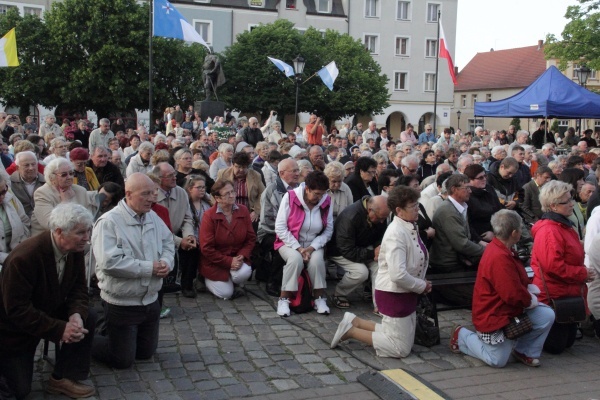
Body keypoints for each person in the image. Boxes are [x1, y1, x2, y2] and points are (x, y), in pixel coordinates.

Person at [0, 204, 96, 399]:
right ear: (59, 232)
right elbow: (17, 310)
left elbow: (78, 288)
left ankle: (64, 377)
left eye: (88, 231)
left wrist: (75, 314)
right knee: (19, 391)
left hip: (47, 307)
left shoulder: (74, 248)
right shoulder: (24, 257)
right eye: (81, 233)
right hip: (13, 330)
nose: (87, 238)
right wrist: (60, 329)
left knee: (88, 316)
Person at [330, 186, 431, 358]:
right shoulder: (396, 233)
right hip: (394, 293)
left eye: (417, 205)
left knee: (400, 336)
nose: (417, 210)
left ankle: (356, 321)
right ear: (399, 211)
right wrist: (421, 285)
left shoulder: (409, 226)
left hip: (406, 292)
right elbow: (397, 274)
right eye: (413, 207)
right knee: (400, 348)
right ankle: (351, 331)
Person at [450, 210, 555, 368]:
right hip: (495, 313)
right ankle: (463, 336)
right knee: (497, 360)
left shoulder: (503, 249)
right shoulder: (499, 256)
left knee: (545, 315)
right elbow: (512, 295)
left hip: (508, 308)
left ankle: (524, 351)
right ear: (514, 233)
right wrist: (529, 299)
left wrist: (527, 292)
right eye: (520, 229)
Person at [91, 173, 175, 369]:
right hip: (122, 301)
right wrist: (150, 268)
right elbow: (109, 262)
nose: (152, 198)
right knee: (122, 360)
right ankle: (87, 339)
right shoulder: (109, 222)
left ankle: (125, 338)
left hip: (150, 298)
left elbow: (168, 241)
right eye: (145, 194)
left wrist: (166, 262)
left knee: (145, 353)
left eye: (153, 193)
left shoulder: (152, 216)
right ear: (128, 194)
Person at [530, 180, 596, 354]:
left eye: (570, 199)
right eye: (566, 201)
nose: (572, 204)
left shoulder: (562, 225)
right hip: (554, 296)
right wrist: (582, 273)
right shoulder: (550, 230)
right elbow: (553, 267)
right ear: (553, 206)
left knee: (566, 343)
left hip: (567, 292)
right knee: (557, 347)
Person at [275, 171, 333, 317]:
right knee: (295, 260)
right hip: (288, 242)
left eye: (323, 193)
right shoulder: (290, 197)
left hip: (313, 243)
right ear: (307, 189)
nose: (320, 197)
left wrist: (312, 247)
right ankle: (284, 299)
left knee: (317, 261)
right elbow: (280, 227)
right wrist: (299, 248)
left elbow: (328, 229)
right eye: (316, 194)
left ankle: (319, 297)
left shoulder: (326, 200)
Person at [429, 174, 486, 305]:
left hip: (460, 261)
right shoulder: (448, 211)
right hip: (448, 267)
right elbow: (462, 244)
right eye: (467, 188)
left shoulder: (459, 207)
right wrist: (487, 250)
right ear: (454, 189)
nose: (470, 191)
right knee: (480, 297)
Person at [328, 196, 389, 310]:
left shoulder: (379, 213)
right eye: (380, 218)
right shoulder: (350, 217)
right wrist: (371, 254)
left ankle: (380, 305)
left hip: (362, 245)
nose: (382, 221)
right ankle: (339, 293)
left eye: (384, 218)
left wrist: (378, 248)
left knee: (380, 265)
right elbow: (346, 249)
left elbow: (380, 234)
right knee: (361, 272)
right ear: (370, 210)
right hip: (339, 250)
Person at [199, 179, 255, 299]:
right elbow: (206, 248)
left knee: (244, 272)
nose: (232, 195)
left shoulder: (243, 210)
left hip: (237, 257)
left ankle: (234, 281)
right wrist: (229, 262)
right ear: (217, 198)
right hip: (215, 262)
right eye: (227, 194)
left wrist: (242, 255)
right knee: (225, 294)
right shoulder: (209, 216)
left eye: (232, 192)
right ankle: (206, 279)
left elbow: (250, 238)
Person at [30, 158, 97, 236]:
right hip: (49, 238)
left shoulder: (81, 191)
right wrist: (65, 203)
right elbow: (49, 224)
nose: (69, 177)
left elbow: (88, 220)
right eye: (64, 174)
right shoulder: (42, 193)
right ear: (51, 177)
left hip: (78, 237)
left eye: (71, 173)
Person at [182, 175, 213, 297]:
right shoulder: (186, 203)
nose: (202, 190)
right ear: (190, 189)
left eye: (203, 187)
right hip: (191, 236)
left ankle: (203, 277)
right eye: (198, 187)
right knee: (191, 253)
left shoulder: (207, 202)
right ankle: (187, 284)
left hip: (207, 237)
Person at [217, 151, 265, 226]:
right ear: (232, 165)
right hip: (228, 210)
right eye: (238, 167)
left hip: (249, 212)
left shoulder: (255, 175)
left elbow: (262, 194)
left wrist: (256, 211)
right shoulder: (223, 174)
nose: (241, 170)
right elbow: (215, 192)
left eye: (244, 167)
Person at [464, 164, 503, 242]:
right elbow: (468, 223)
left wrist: (495, 232)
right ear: (469, 180)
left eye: (485, 176)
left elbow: (499, 210)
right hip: (480, 237)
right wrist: (479, 239)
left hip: (497, 231)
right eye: (480, 178)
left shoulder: (489, 189)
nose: (484, 179)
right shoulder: (467, 196)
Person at [0, 174, 30, 269]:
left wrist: (23, 248)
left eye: (4, 191)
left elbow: (24, 221)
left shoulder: (10, 198)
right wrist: (9, 258)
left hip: (18, 252)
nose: (2, 196)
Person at [9, 150, 45, 217]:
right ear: (17, 168)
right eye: (26, 165)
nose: (31, 168)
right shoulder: (9, 184)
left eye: (33, 164)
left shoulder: (46, 182)